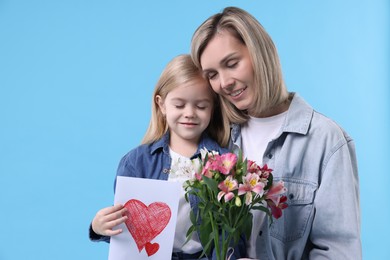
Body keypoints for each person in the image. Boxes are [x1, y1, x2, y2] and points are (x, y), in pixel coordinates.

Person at [190, 6, 361, 260]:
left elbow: (340, 253)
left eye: (232, 64)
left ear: (260, 53)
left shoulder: (326, 141)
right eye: (213, 75)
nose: (224, 82)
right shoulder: (216, 137)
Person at [89, 54, 246, 259]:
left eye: (200, 106)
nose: (189, 113)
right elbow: (128, 230)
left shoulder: (224, 163)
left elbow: (231, 230)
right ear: (161, 105)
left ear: (213, 107)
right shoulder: (137, 162)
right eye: (179, 105)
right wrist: (98, 227)